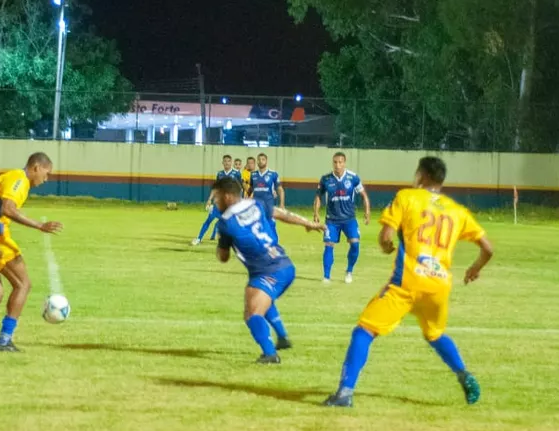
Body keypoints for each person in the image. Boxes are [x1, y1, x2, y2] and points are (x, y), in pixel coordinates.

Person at [323, 157, 494, 408]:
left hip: (408, 282)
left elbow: (385, 235)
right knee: (435, 334)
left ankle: (344, 393)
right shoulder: (456, 210)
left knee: (364, 330)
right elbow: (487, 248)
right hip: (438, 286)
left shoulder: (407, 197)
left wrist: (386, 245)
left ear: (421, 175)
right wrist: (474, 269)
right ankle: (463, 374)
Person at [211, 177, 324, 364]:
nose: (216, 202)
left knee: (252, 313)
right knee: (259, 296)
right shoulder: (256, 203)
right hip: (284, 264)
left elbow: (223, 258)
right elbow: (281, 213)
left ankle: (270, 354)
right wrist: (307, 223)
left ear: (228, 197)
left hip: (269, 272)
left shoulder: (226, 222)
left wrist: (221, 245)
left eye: (217, 197)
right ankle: (283, 338)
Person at [0, 152, 63, 352]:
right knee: (23, 285)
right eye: (46, 173)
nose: (46, 179)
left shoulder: (11, 178)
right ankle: (4, 339)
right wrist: (39, 225)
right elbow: (8, 209)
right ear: (36, 167)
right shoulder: (19, 179)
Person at [313, 152, 372, 284]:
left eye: (340, 162)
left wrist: (367, 211)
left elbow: (363, 195)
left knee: (355, 244)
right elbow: (318, 196)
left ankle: (349, 271)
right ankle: (326, 277)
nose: (338, 165)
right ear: (332, 163)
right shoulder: (326, 179)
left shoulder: (353, 178)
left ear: (344, 163)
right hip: (332, 220)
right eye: (335, 162)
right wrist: (316, 213)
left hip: (349, 219)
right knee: (329, 245)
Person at [192, 154, 242, 246]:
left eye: (228, 161)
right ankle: (199, 238)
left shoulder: (236, 173)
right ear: (222, 163)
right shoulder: (220, 174)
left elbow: (239, 188)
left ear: (231, 162)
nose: (227, 163)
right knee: (209, 219)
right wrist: (209, 199)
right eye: (225, 161)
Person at [250, 153, 284, 219]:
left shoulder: (273, 174)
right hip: (256, 206)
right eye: (259, 159)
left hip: (269, 204)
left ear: (266, 161)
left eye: (263, 159)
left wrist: (281, 203)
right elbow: (251, 190)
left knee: (270, 225)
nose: (261, 161)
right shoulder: (253, 175)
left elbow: (280, 189)